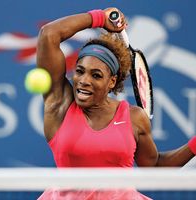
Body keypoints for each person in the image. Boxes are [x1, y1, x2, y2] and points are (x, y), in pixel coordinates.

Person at [36, 7, 196, 200]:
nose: (84, 80)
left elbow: (154, 167)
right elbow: (49, 34)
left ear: (112, 82)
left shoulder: (134, 117)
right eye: (80, 71)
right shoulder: (59, 105)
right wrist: (98, 18)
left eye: (96, 75)